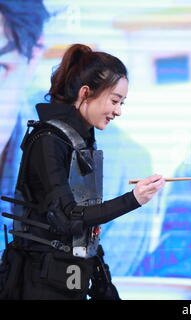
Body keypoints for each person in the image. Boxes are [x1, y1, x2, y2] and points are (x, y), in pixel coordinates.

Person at [0, 0, 159, 277]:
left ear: (34, 54)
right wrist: (133, 198)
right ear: (86, 94)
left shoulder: (114, 155)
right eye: (115, 101)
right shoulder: (48, 140)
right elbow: (68, 217)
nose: (118, 111)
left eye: (121, 102)